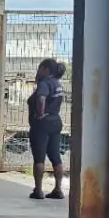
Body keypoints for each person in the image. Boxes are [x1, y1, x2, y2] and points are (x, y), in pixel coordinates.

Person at [28, 58, 66, 199]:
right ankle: (58, 189)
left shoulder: (44, 84)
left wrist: (40, 113)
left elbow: (41, 98)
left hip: (42, 124)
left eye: (40, 68)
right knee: (55, 156)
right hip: (55, 121)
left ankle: (38, 189)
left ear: (46, 69)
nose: (38, 71)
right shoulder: (57, 83)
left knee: (39, 157)